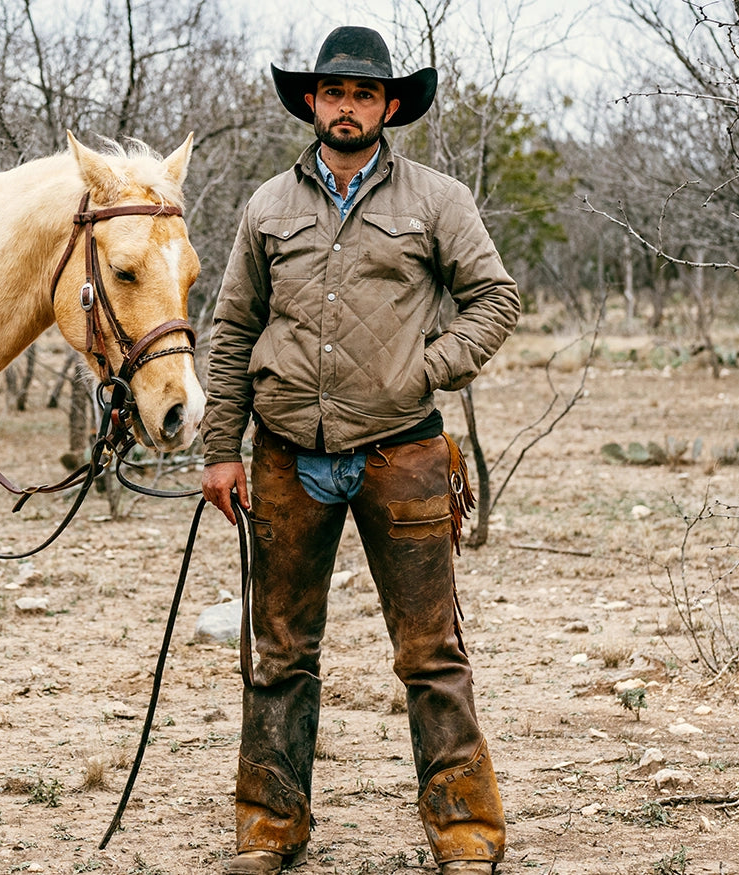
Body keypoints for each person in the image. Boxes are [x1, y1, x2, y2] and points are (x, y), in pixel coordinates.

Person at [198, 25, 520, 875]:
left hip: (402, 451)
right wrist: (218, 449)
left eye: (364, 94)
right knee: (281, 652)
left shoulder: (437, 199)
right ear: (312, 102)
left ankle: (465, 832)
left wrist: (429, 368)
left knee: (430, 652)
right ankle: (269, 831)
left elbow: (494, 297)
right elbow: (232, 329)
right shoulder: (268, 206)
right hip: (285, 455)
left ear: (389, 106)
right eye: (334, 93)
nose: (348, 107)